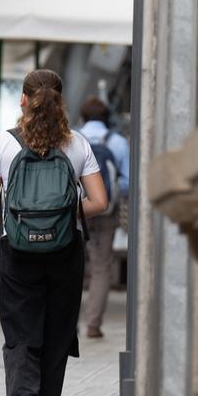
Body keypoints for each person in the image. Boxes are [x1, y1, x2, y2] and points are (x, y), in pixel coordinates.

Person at [0, 69, 107, 396]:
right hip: (66, 253)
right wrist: (63, 215)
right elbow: (100, 201)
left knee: (20, 335)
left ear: (23, 100)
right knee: (57, 339)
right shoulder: (77, 143)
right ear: (60, 101)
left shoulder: (4, 143)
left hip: (15, 252)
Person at [77, 96, 130, 339]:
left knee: (71, 264)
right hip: (106, 212)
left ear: (83, 117)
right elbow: (128, 183)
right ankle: (93, 324)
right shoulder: (118, 142)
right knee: (101, 268)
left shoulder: (72, 139)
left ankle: (67, 323)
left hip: (76, 212)